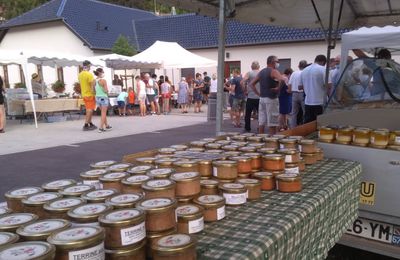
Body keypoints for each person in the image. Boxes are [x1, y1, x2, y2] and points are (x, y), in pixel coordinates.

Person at [250, 55, 285, 135]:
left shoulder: (261, 72)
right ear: (273, 62)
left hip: (262, 99)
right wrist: (278, 89)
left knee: (261, 121)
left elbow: (251, 84)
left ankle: (260, 140)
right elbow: (282, 80)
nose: (278, 63)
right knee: (272, 121)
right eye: (277, 62)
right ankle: (272, 143)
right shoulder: (274, 71)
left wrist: (258, 94)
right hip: (271, 98)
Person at [299, 54, 327, 123]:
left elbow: (300, 87)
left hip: (308, 102)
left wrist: (309, 86)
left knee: (308, 124)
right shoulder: (323, 69)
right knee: (320, 124)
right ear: (323, 62)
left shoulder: (304, 70)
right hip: (320, 102)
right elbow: (329, 85)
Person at [242, 61, 260, 132]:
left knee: (248, 114)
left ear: (251, 67)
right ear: (258, 66)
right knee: (260, 114)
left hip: (250, 97)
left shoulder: (249, 73)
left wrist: (245, 91)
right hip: (259, 96)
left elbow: (242, 82)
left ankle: (247, 127)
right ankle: (260, 127)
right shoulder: (261, 73)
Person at [78, 60, 97, 131]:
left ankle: (90, 123)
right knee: (90, 110)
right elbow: (92, 85)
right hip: (89, 94)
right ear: (88, 66)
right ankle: (86, 124)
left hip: (84, 94)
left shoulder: (80, 74)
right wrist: (94, 92)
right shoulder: (89, 74)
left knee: (89, 109)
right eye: (90, 66)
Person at [288, 60, 307, 129]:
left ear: (298, 66)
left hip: (294, 94)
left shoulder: (294, 73)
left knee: (294, 113)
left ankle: (293, 128)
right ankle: (304, 127)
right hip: (302, 94)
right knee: (305, 112)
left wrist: (290, 91)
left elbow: (289, 84)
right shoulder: (305, 73)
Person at [93, 68, 112, 133]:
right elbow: (105, 90)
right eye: (103, 72)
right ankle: (101, 127)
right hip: (103, 97)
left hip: (97, 97)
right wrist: (107, 93)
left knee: (102, 112)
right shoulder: (103, 80)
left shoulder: (94, 80)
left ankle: (107, 125)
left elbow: (93, 90)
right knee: (103, 113)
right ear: (100, 73)